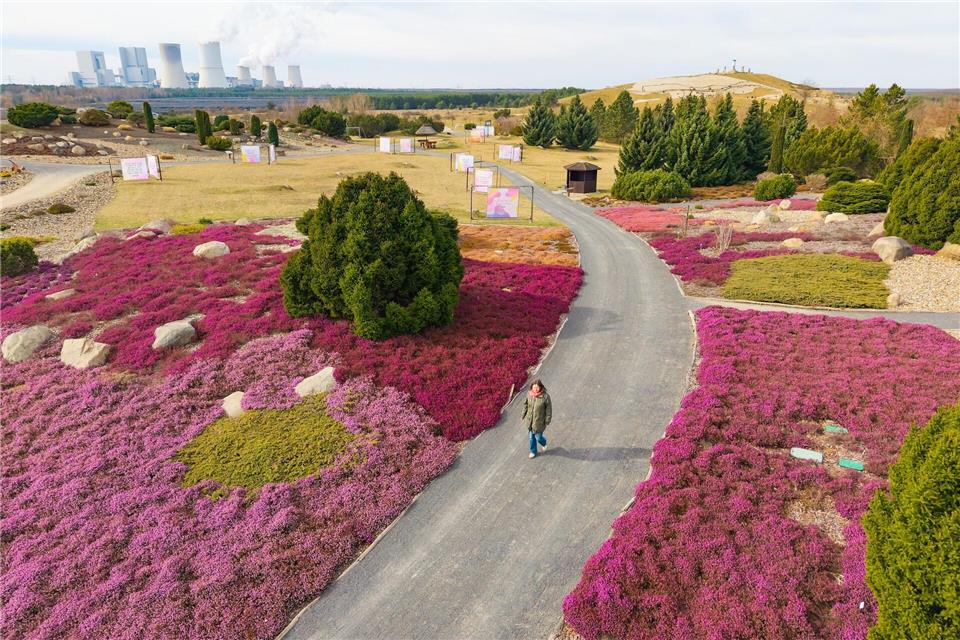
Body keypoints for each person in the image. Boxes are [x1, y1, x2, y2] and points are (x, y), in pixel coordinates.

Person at [521, 379, 552, 459]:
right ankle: (533, 451)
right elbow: (526, 405)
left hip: (539, 422)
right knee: (531, 438)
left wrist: (547, 419)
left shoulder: (545, 397)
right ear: (532, 387)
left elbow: (549, 409)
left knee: (538, 437)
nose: (535, 389)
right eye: (534, 387)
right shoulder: (529, 395)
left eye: (537, 387)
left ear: (540, 387)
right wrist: (523, 414)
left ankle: (544, 443)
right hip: (530, 421)